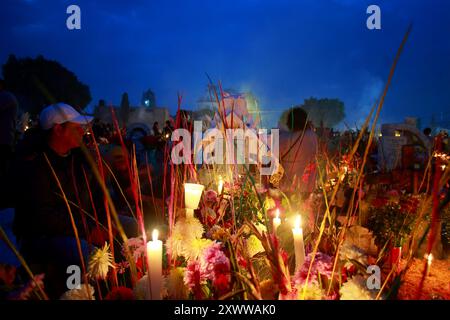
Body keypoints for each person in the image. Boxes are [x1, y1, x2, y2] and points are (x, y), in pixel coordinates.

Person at [8, 103, 104, 297]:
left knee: (128, 228)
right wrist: (86, 229)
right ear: (58, 129)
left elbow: (96, 196)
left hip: (80, 227)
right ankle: (75, 294)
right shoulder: (35, 165)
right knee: (86, 254)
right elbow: (43, 218)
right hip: (43, 237)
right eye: (76, 127)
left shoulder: (79, 159)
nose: (82, 131)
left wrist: (101, 223)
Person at [278, 107, 318, 195]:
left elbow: (274, 160)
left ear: (290, 122)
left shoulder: (283, 138)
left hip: (287, 187)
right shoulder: (312, 136)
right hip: (307, 186)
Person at [0, 79, 18, 206]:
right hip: (5, 139)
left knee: (3, 169)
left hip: (3, 139)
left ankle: (4, 198)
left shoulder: (6, 97)